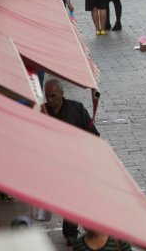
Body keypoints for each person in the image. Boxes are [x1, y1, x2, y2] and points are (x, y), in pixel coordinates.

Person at [44, 79, 99, 245]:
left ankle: (71, 231)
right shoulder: (42, 111)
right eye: (47, 96)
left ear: (62, 93)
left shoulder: (77, 109)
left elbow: (93, 135)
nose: (50, 100)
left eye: (53, 96)